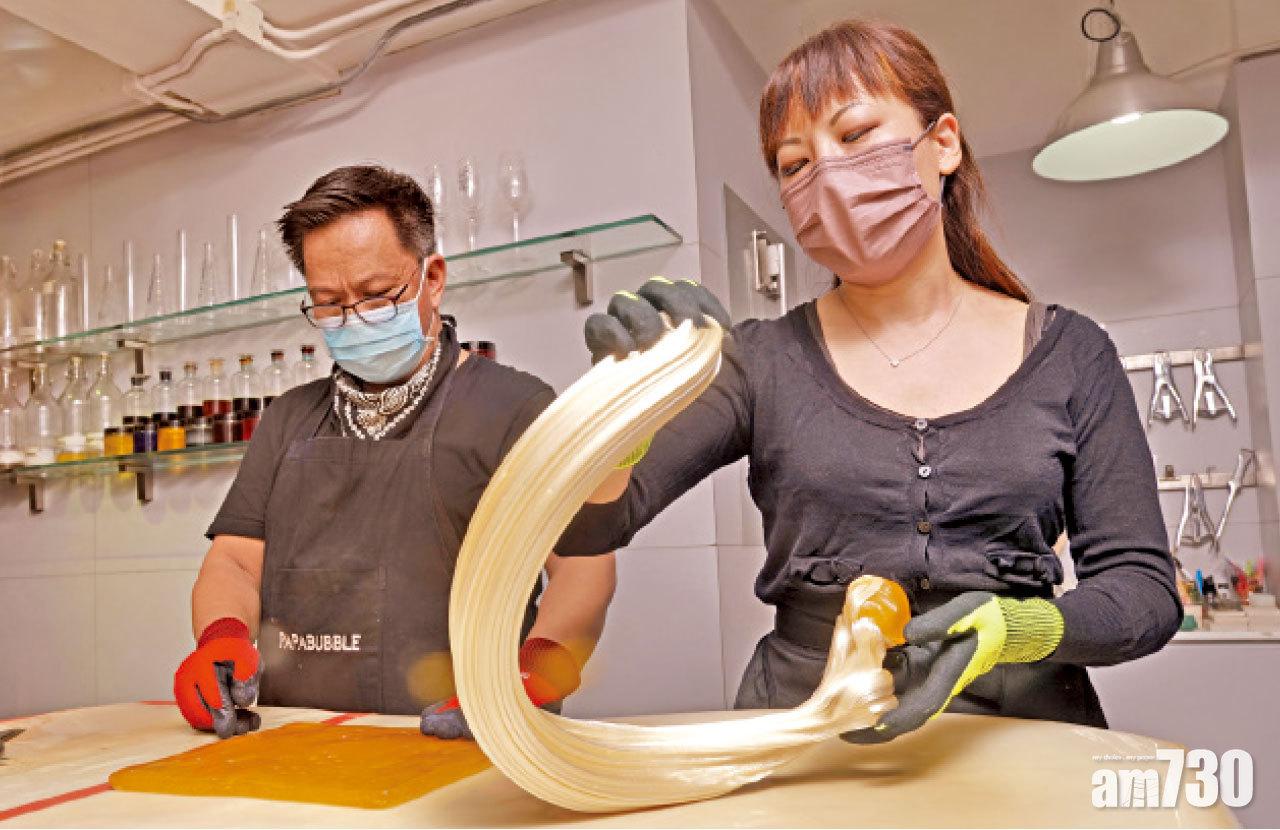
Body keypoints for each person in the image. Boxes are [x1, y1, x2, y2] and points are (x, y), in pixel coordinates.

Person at [556, 20, 1181, 740]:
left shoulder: (1073, 354)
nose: (827, 175)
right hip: (806, 735)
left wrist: (1016, 630)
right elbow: (592, 522)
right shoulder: (758, 360)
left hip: (1024, 733)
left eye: (855, 135)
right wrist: (624, 411)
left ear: (943, 143)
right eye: (795, 164)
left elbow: (1141, 592)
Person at [176, 165, 615, 739]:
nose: (354, 320)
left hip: (471, 741)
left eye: (377, 296)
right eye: (329, 303)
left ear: (432, 279)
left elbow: (582, 565)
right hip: (299, 741)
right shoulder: (287, 418)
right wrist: (221, 639)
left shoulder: (513, 406)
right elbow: (234, 562)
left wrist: (535, 671)